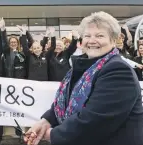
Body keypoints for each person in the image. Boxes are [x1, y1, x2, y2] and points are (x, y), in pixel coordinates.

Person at [24, 11, 143, 145]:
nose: (92, 41)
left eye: (100, 35)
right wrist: (45, 121)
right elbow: (65, 102)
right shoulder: (84, 67)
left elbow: (95, 121)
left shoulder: (118, 71)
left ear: (114, 40)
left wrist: (51, 134)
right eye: (87, 36)